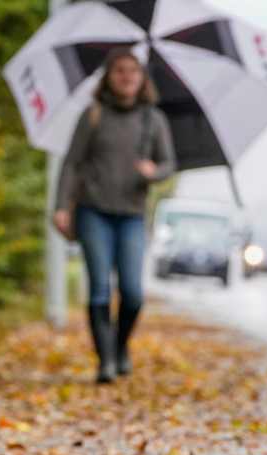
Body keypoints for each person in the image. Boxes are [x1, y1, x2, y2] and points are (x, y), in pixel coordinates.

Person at [53, 48, 176, 383]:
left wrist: (154, 171)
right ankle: (105, 361)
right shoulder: (92, 116)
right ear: (108, 77)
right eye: (119, 70)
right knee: (99, 290)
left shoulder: (154, 120)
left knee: (133, 293)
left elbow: (169, 164)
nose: (126, 76)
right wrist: (61, 205)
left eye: (133, 71)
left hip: (132, 215)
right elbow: (71, 162)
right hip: (94, 212)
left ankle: (120, 346)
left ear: (142, 79)